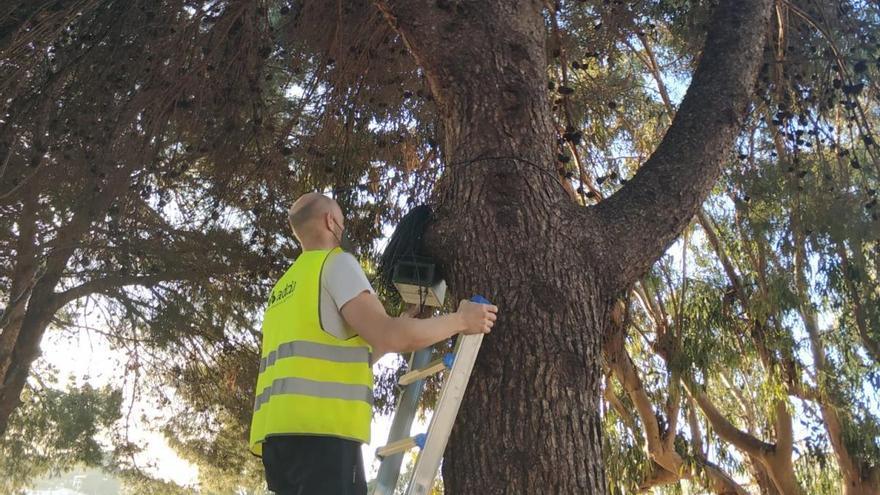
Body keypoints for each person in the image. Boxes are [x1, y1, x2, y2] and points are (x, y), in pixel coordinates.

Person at [249, 192, 498, 495]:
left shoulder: (284, 288)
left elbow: (336, 358)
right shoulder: (336, 264)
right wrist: (462, 321)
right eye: (340, 218)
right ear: (331, 221)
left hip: (278, 444)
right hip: (323, 437)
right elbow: (392, 336)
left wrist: (405, 322)